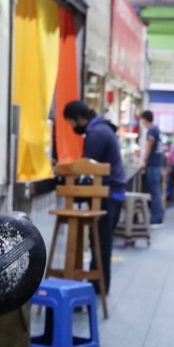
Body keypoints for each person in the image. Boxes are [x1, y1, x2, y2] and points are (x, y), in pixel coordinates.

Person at [61, 100, 126, 290]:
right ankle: (97, 284)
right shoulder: (102, 129)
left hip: (107, 195)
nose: (73, 127)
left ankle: (98, 285)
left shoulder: (97, 134)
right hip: (112, 193)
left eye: (71, 123)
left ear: (80, 118)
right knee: (101, 241)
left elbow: (88, 169)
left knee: (101, 242)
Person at [138, 109, 165, 225]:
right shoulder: (156, 129)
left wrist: (143, 160)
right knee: (156, 191)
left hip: (153, 165)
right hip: (157, 165)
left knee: (154, 192)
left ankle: (156, 218)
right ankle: (157, 216)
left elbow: (148, 147)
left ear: (144, 119)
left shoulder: (151, 131)